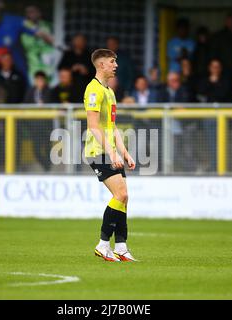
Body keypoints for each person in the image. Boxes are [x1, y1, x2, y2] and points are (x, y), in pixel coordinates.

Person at [84, 49, 136, 262]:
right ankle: (103, 244)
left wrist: (124, 152)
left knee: (124, 197)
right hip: (97, 151)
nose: (116, 65)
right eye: (112, 62)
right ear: (101, 65)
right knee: (120, 195)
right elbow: (94, 127)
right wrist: (112, 152)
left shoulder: (110, 91)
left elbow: (112, 127)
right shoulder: (93, 90)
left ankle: (121, 247)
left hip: (109, 150)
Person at [21, 71, 53, 172]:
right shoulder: (30, 91)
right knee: (36, 149)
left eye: (41, 80)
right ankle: (46, 166)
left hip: (46, 125)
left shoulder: (49, 91)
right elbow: (26, 103)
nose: (39, 82)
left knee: (48, 147)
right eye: (37, 80)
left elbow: (52, 102)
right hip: (34, 125)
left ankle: (48, 168)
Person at [21, 5, 56, 83]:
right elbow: (26, 45)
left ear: (39, 13)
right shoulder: (24, 28)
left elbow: (55, 41)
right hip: (34, 65)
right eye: (28, 13)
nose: (30, 14)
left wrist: (40, 33)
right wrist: (33, 30)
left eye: (32, 12)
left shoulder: (48, 25)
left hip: (49, 64)